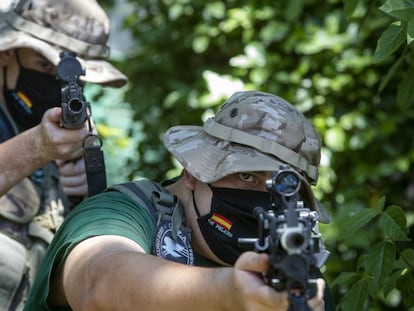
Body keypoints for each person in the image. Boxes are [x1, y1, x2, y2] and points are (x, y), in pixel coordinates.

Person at [24, 90, 334, 311]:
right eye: (246, 176)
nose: (260, 202)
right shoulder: (123, 214)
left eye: (278, 192)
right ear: (194, 172)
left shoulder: (298, 275)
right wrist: (229, 293)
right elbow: (97, 284)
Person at [0, 0, 127, 309]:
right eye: (46, 67)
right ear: (6, 52)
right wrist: (36, 147)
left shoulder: (45, 129)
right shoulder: (36, 137)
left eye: (76, 77)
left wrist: (80, 202)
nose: (62, 84)